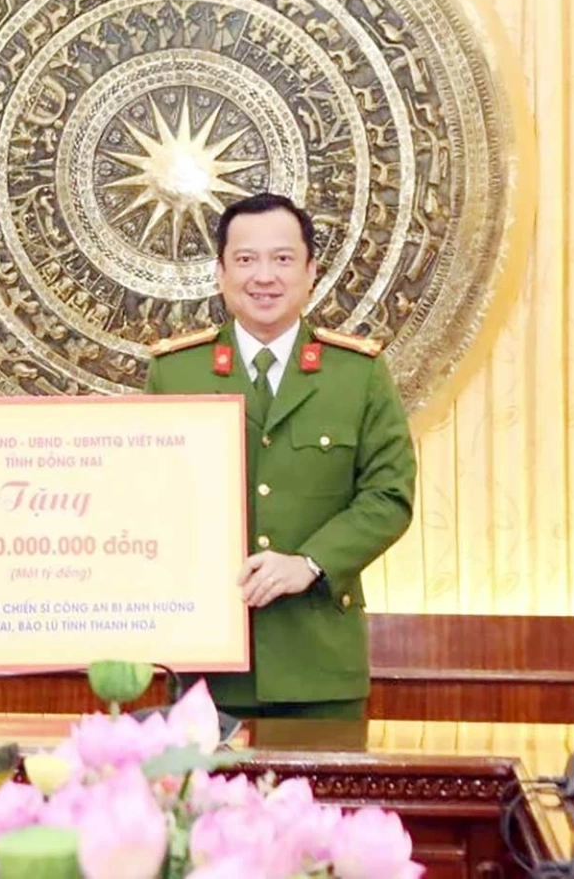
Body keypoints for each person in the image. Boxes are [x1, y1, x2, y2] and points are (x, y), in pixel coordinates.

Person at [144, 192, 416, 720]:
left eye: (283, 259)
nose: (263, 276)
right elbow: (155, 502)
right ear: (221, 273)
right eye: (245, 260)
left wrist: (310, 563)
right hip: (209, 668)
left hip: (319, 665)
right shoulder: (175, 372)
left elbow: (389, 496)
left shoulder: (357, 374)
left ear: (311, 271)